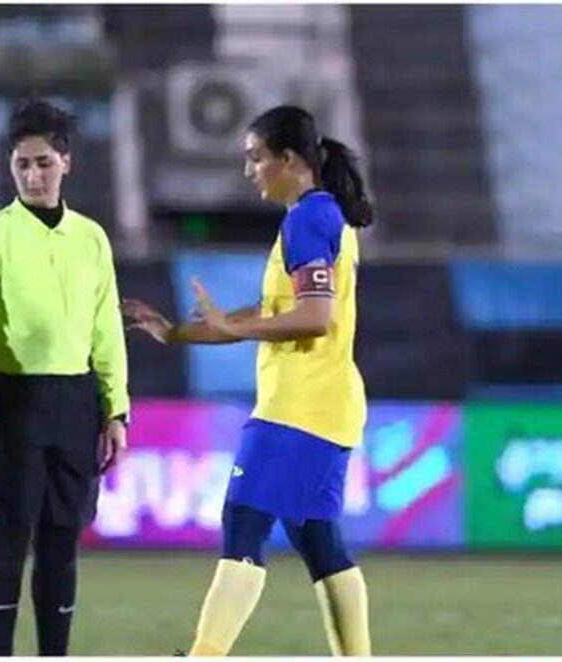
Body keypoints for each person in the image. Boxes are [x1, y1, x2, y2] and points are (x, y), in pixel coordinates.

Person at [124, 105, 374, 657]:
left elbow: (315, 317)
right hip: (328, 406)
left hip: (299, 409)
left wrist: (232, 326)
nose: (249, 170)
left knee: (243, 523)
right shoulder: (325, 217)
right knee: (319, 540)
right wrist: (180, 333)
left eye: (255, 158)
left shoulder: (308, 220)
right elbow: (273, 310)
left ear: (289, 159)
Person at [0, 98, 130, 656]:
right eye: (22, 164)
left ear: (66, 163)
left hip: (75, 404)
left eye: (43, 163)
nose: (33, 175)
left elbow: (106, 328)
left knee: (61, 546)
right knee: (7, 544)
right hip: (12, 402)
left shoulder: (91, 238)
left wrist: (116, 410)